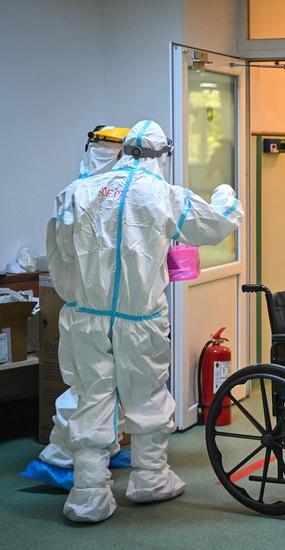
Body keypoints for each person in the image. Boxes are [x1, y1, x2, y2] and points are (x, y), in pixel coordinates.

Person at [46, 120, 243, 523]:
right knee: (147, 392)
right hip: (140, 318)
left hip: (86, 316)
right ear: (162, 154)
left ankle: (88, 494)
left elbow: (59, 255)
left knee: (91, 395)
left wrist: (78, 298)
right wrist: (225, 195)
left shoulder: (77, 192)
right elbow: (216, 224)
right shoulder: (163, 194)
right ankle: (150, 477)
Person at [29, 126, 132, 489]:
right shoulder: (99, 197)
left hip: (99, 309)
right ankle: (62, 456)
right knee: (91, 387)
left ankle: (107, 445)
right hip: (96, 311)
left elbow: (59, 254)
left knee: (106, 386)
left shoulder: (75, 195)